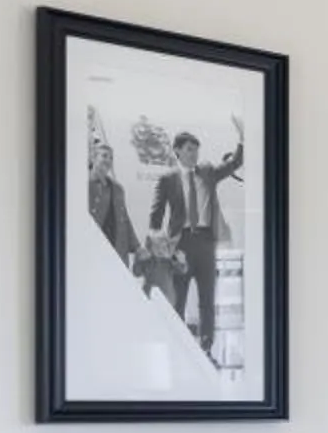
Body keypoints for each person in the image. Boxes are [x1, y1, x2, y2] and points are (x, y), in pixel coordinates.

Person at [147, 122, 246, 350]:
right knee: (178, 299)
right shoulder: (167, 179)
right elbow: (155, 217)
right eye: (189, 149)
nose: (194, 154)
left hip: (205, 242)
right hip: (180, 244)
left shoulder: (207, 172)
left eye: (196, 150)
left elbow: (234, 163)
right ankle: (178, 347)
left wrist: (242, 139)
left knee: (207, 299)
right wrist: (160, 248)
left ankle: (207, 348)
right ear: (177, 150)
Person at [81, 111, 138, 269]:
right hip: (90, 250)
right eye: (104, 156)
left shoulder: (117, 189)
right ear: (93, 158)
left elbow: (124, 219)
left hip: (116, 249)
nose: (108, 160)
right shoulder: (82, 185)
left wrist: (137, 247)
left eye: (111, 157)